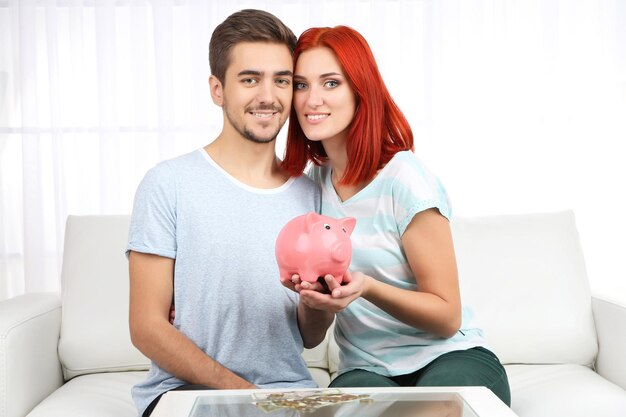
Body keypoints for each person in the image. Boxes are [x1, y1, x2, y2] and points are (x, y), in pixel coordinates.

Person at [280, 25, 511, 406]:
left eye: (331, 83)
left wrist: (366, 287)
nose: (312, 99)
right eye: (301, 85)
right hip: (366, 368)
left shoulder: (404, 177)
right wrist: (312, 300)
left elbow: (447, 315)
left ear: (361, 91)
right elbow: (311, 337)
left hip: (450, 356)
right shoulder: (310, 189)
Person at [127, 10, 331, 417]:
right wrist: (249, 396)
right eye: (250, 79)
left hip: (289, 394)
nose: (268, 96)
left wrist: (319, 304)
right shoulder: (168, 183)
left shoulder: (312, 194)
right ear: (217, 89)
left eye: (282, 80)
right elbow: (146, 328)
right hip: (184, 393)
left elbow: (309, 337)